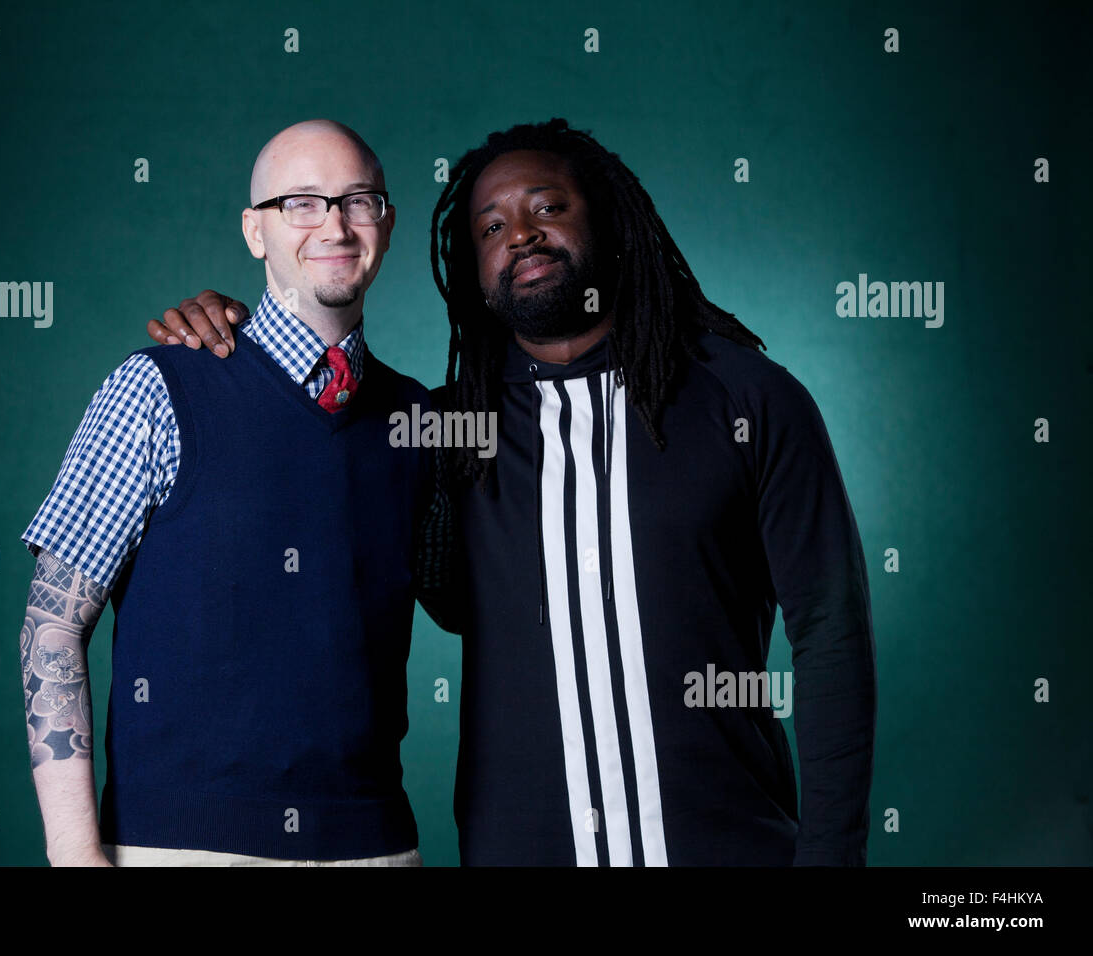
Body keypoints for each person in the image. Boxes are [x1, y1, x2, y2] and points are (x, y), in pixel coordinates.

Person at [150, 118, 877, 866]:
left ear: (609, 220)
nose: (520, 234)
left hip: (730, 849)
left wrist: (830, 857)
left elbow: (832, 635)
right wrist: (227, 333)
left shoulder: (747, 400)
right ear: (473, 270)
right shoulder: (448, 432)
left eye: (548, 207)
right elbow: (320, 443)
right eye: (491, 226)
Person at [19, 119, 437, 866]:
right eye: (301, 203)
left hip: (377, 845)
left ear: (388, 223)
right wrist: (76, 857)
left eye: (358, 201)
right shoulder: (157, 388)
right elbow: (51, 628)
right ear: (256, 232)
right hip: (181, 847)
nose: (335, 224)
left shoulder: (417, 420)